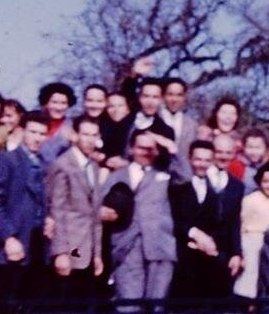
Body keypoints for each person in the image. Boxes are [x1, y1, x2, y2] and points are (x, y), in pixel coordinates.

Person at [0, 111, 50, 300]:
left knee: (29, 305)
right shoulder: (8, 159)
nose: (37, 138)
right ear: (22, 131)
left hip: (36, 242)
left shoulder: (44, 163)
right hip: (13, 243)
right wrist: (8, 237)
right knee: (7, 306)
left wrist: (49, 218)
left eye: (42, 134)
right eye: (33, 132)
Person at [170, 138, 243, 298]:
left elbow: (234, 222)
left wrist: (236, 253)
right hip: (184, 258)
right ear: (189, 158)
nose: (202, 164)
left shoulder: (232, 185)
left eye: (206, 160)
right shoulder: (177, 185)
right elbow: (171, 218)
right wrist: (194, 234)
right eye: (197, 159)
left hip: (216, 258)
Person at [109, 131, 177, 300]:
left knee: (155, 307)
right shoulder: (116, 175)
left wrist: (170, 147)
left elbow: (185, 176)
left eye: (151, 148)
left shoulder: (164, 175)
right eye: (141, 147)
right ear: (131, 149)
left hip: (160, 245)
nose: (146, 152)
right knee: (129, 305)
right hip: (128, 244)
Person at [45, 115, 111, 291]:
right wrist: (60, 252)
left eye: (94, 135)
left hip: (88, 248)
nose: (90, 140)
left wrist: (97, 254)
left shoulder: (94, 167)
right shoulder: (62, 165)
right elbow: (57, 210)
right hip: (69, 246)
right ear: (75, 135)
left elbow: (95, 214)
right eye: (86, 134)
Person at [235, 164, 269, 300]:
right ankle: (247, 307)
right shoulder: (250, 200)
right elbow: (242, 224)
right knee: (250, 276)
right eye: (265, 181)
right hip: (252, 241)